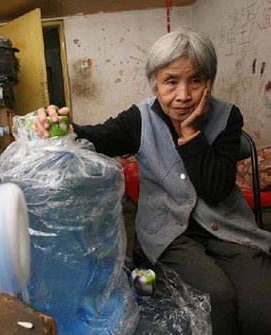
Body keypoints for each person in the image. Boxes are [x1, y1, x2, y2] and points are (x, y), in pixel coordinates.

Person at [34, 28, 271, 335]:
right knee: (217, 296)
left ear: (208, 83)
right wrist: (64, 126)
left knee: (262, 305)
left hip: (227, 227)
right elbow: (98, 137)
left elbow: (215, 189)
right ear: (156, 83)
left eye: (195, 80)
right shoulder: (140, 118)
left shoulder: (227, 116)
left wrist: (190, 135)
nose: (183, 95)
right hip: (168, 232)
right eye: (171, 81)